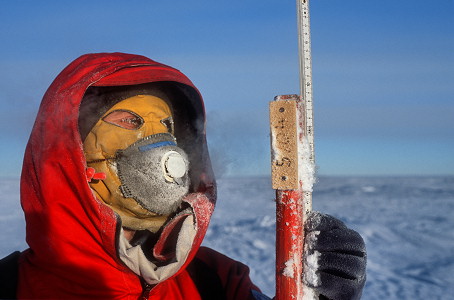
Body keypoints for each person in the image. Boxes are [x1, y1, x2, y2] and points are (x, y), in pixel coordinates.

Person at [0, 53, 366, 299]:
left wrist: (315, 292)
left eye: (168, 126)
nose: (162, 143)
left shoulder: (215, 281)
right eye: (131, 121)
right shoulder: (9, 286)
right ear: (69, 152)